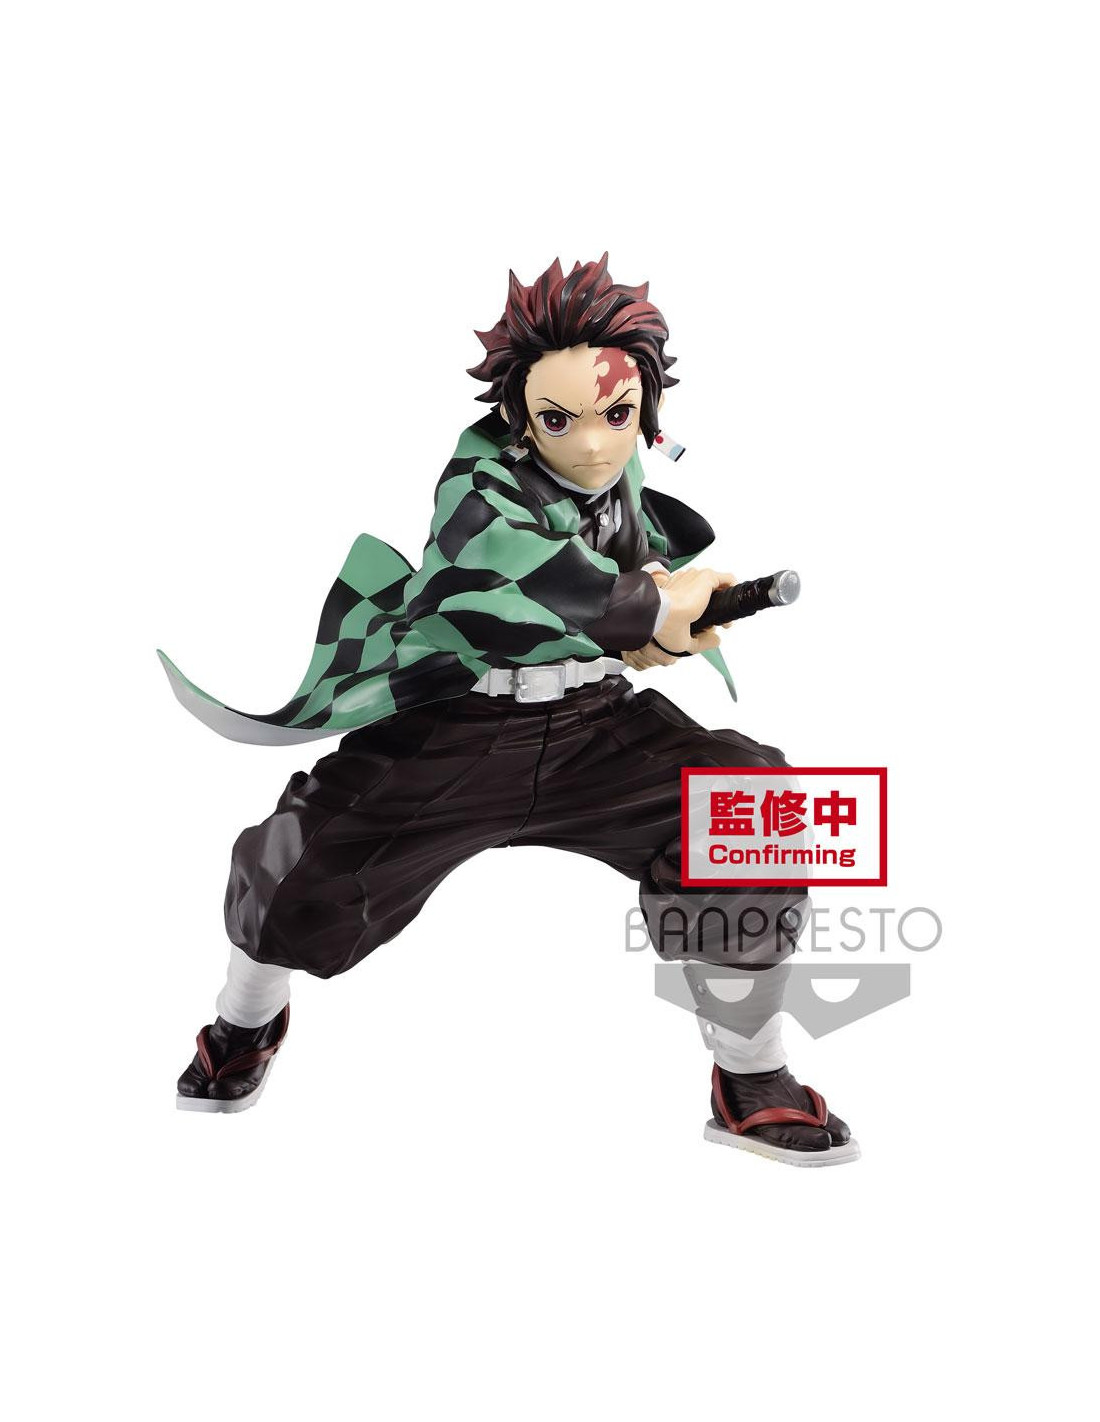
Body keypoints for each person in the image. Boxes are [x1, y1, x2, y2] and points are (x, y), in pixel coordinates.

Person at [165, 255, 858, 1165]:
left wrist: (666, 617)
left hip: (591, 728)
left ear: (648, 409)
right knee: (299, 875)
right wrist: (645, 607)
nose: (594, 444)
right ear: (520, 415)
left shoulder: (622, 479)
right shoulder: (478, 484)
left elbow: (624, 573)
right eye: (560, 419)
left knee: (748, 804)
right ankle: (244, 1020)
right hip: (454, 731)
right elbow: (508, 567)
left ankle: (751, 1073)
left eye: (618, 415)